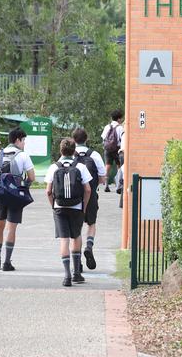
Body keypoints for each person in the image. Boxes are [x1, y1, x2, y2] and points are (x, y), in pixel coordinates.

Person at [0, 127, 35, 271]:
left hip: (1, 195)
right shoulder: (23, 155)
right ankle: (7, 262)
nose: (24, 144)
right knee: (11, 228)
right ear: (18, 140)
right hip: (16, 196)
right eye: (24, 140)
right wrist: (22, 184)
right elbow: (31, 177)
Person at [45, 138, 92, 287]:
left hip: (59, 207)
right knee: (76, 236)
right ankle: (77, 273)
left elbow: (48, 191)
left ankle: (66, 276)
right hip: (76, 207)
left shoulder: (54, 167)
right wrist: (83, 206)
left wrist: (53, 206)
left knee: (64, 239)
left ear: (61, 151)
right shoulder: (81, 167)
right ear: (74, 151)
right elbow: (88, 189)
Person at [72, 127, 106, 270]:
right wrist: (92, 185)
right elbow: (103, 178)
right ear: (87, 139)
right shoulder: (95, 155)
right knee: (91, 223)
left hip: (73, 197)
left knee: (76, 229)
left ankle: (77, 261)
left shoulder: (69, 154)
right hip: (91, 194)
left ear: (74, 140)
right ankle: (89, 246)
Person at [101, 109, 124, 192]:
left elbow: (103, 138)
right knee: (119, 166)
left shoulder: (107, 127)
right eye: (121, 118)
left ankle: (106, 185)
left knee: (107, 166)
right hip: (117, 149)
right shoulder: (120, 128)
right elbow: (122, 139)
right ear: (118, 119)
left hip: (107, 149)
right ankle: (118, 185)